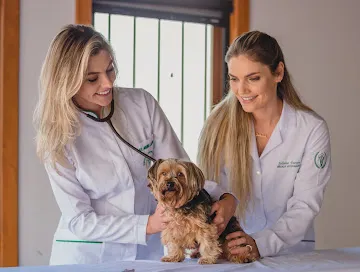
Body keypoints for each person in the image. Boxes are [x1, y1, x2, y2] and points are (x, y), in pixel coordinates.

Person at [33, 24, 237, 265]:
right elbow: (80, 220)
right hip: (89, 256)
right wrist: (147, 225)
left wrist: (225, 197)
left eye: (110, 70)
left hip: (148, 254)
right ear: (66, 81)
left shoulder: (141, 104)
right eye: (92, 79)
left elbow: (182, 172)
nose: (108, 84)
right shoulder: (57, 136)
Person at [197, 30, 332, 259]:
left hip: (292, 254)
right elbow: (207, 185)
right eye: (234, 79)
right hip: (229, 251)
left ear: (278, 72)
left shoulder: (310, 129)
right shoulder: (217, 124)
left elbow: (304, 205)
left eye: (253, 78)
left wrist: (260, 244)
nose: (241, 90)